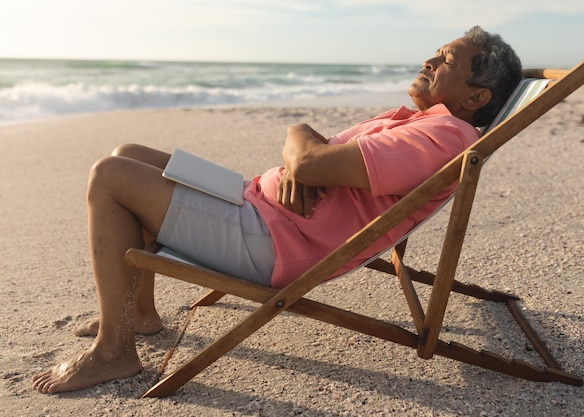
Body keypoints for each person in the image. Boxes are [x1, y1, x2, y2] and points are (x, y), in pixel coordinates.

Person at [33, 25, 521, 394]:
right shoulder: (421, 121)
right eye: (436, 53)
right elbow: (310, 155)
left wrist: (302, 153)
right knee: (128, 153)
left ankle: (115, 350)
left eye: (447, 60)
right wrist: (302, 149)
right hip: (258, 205)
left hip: (271, 241)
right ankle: (137, 314)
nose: (430, 60)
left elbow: (309, 159)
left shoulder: (441, 136)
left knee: (109, 176)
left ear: (476, 96)